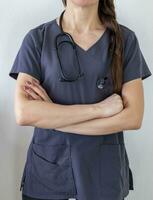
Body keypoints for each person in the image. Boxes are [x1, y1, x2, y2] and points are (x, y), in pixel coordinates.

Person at [9, 0, 152, 200]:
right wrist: (100, 109)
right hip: (48, 175)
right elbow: (24, 113)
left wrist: (53, 118)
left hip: (104, 176)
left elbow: (133, 118)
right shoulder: (37, 39)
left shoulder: (124, 40)